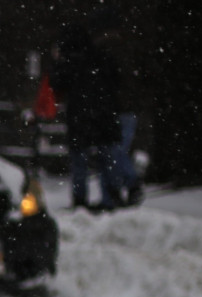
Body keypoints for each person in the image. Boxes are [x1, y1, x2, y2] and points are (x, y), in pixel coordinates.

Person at [49, 24, 122, 211]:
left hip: (79, 116)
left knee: (79, 159)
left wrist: (57, 62)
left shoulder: (70, 62)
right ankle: (111, 196)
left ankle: (81, 200)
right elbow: (115, 80)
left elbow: (57, 85)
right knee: (106, 157)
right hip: (103, 114)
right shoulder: (99, 57)